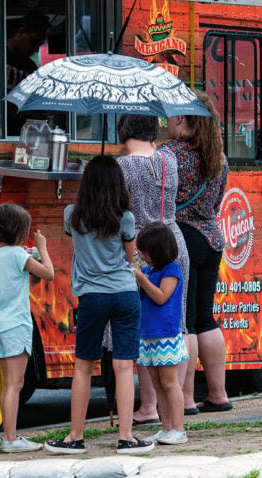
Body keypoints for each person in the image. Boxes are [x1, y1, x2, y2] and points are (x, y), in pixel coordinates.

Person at [45, 155, 154, 455]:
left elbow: (79, 246)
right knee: (122, 366)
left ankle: (75, 438)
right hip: (124, 294)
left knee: (83, 367)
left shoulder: (72, 216)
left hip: (91, 296)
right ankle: (127, 438)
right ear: (118, 184)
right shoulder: (125, 219)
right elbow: (134, 258)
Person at [115, 114, 190, 426]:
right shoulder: (168, 159)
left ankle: (148, 406)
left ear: (124, 130)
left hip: (142, 247)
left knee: (145, 328)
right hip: (173, 241)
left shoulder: (123, 166)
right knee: (177, 325)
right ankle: (178, 403)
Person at [163, 91, 233, 414]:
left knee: (186, 321)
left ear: (181, 118)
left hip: (183, 239)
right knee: (206, 317)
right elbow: (216, 201)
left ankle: (187, 398)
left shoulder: (171, 154)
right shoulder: (218, 157)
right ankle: (218, 394)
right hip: (212, 238)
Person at [0, 203, 55, 453]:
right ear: (18, 230)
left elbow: (20, 270)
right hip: (17, 325)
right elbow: (48, 274)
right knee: (16, 384)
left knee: (8, 384)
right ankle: (10, 439)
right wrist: (42, 249)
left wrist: (26, 254)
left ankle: (9, 436)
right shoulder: (18, 256)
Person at [133, 222, 189, 445]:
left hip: (165, 334)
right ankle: (166, 428)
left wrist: (141, 279)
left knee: (169, 382)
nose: (143, 256)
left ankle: (178, 428)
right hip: (148, 334)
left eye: (146, 251)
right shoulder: (149, 271)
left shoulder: (171, 269)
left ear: (158, 250)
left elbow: (161, 296)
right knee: (157, 384)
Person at [3, 10, 50, 136]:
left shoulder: (30, 67)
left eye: (39, 45)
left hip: (22, 131)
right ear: (21, 31)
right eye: (32, 41)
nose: (35, 49)